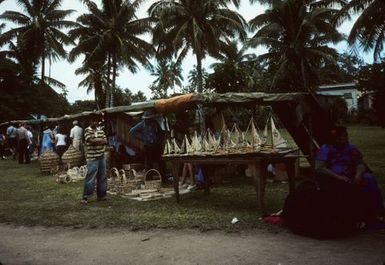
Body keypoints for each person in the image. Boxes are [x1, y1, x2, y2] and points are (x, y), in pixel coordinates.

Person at [315, 126, 385, 222]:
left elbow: (360, 163)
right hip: (334, 177)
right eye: (344, 136)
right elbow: (319, 168)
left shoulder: (351, 148)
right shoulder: (326, 148)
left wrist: (358, 174)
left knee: (369, 178)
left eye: (346, 136)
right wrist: (338, 177)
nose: (346, 138)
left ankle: (378, 211)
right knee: (343, 186)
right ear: (337, 138)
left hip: (351, 174)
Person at [81, 115, 108, 204]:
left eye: (97, 121)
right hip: (92, 158)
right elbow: (90, 141)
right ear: (90, 121)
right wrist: (99, 141)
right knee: (90, 178)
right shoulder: (87, 130)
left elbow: (105, 141)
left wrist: (96, 140)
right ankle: (85, 197)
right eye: (94, 121)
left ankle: (102, 196)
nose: (95, 123)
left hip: (101, 156)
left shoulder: (100, 130)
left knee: (102, 177)